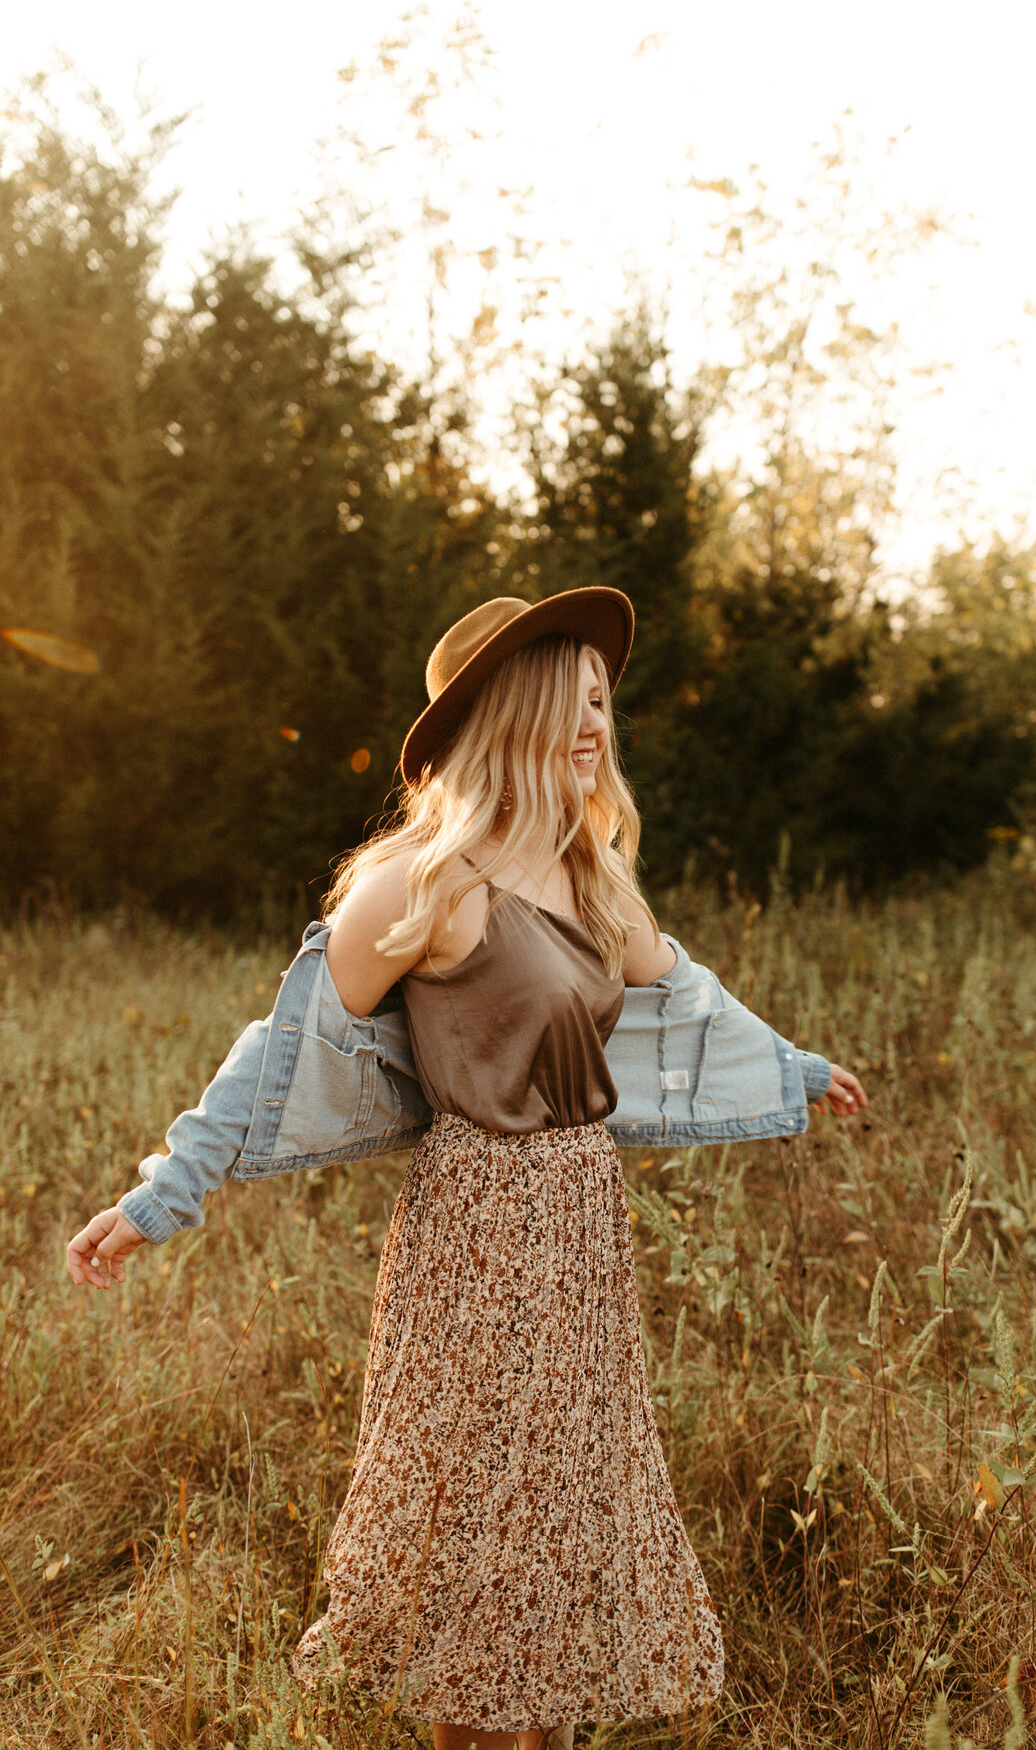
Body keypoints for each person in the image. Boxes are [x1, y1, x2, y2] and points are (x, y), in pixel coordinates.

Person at [68, 586, 867, 1750]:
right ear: (508, 711)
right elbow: (280, 1047)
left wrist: (794, 1067)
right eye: (570, 698)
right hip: (479, 1234)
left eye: (604, 700)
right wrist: (161, 1194)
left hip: (582, 1230)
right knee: (479, 1556)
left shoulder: (590, 873)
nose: (595, 723)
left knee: (552, 1546)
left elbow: (685, 999)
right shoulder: (422, 881)